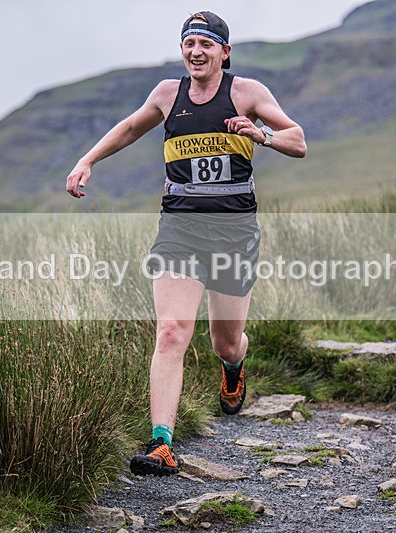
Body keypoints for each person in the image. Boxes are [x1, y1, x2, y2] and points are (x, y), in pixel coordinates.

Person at [66, 11, 306, 476]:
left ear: (224, 52)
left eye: (207, 44)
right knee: (173, 331)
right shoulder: (166, 94)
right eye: (189, 43)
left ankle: (234, 367)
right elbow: (131, 128)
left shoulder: (247, 93)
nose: (196, 51)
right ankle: (161, 443)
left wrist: (261, 134)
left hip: (235, 231)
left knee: (226, 340)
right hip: (180, 228)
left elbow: (298, 141)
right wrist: (87, 160)